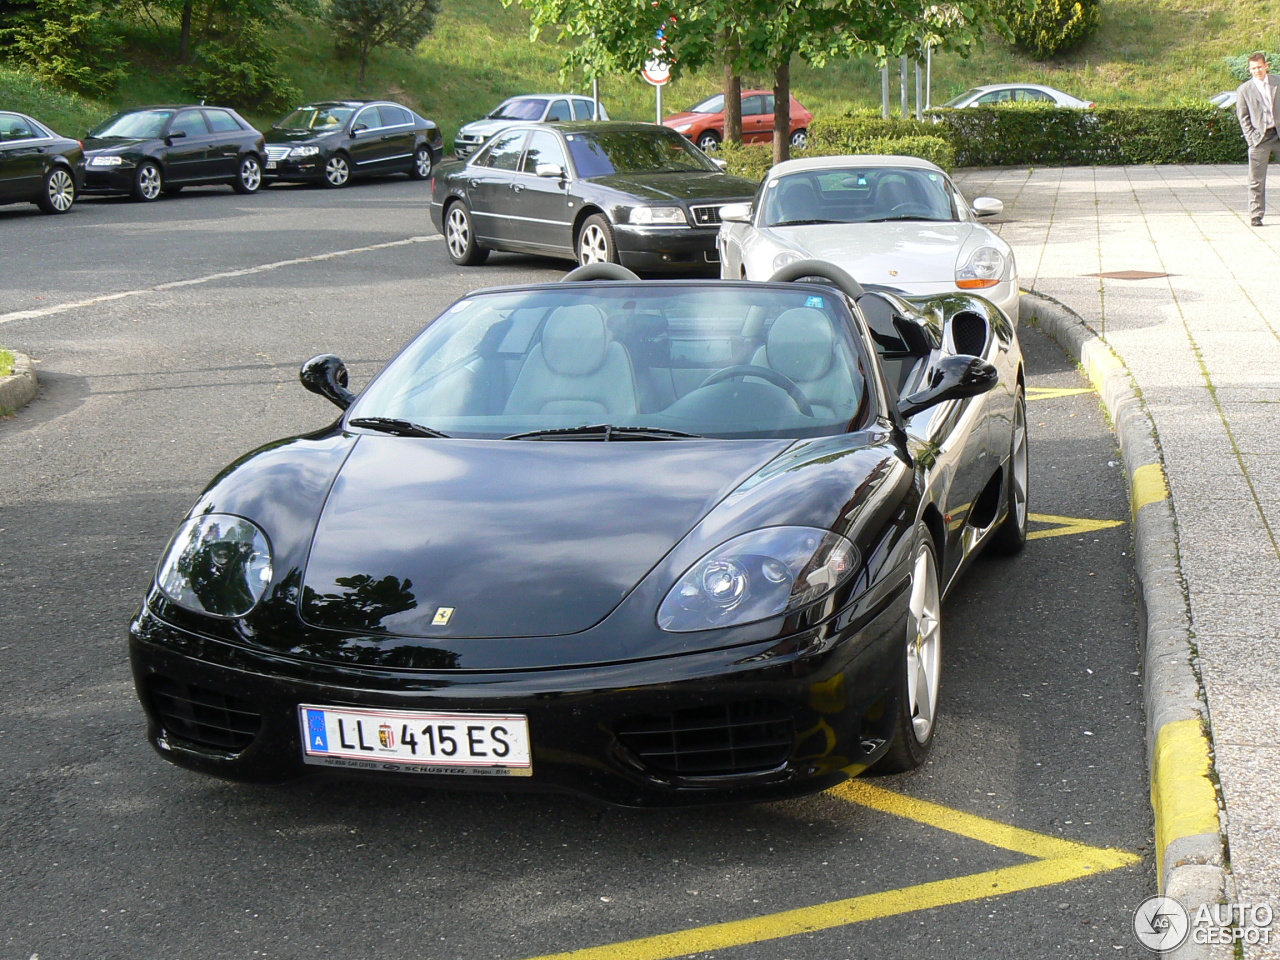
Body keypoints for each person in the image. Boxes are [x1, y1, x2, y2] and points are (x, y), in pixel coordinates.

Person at [1236, 52, 1280, 226]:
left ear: (1266, 66)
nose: (1257, 71)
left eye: (1259, 67)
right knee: (1256, 179)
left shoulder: (1278, 82)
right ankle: (1256, 214)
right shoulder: (1244, 90)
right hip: (1259, 138)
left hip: (1278, 133)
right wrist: (1251, 138)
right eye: (1253, 68)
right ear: (1249, 69)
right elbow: (1243, 117)